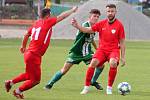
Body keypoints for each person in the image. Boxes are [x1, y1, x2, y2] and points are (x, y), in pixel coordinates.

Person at [4, 7, 78, 99]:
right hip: (34, 55)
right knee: (36, 80)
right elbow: (62, 16)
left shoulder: (36, 24)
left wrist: (23, 46)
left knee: (28, 75)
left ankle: (10, 83)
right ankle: (17, 91)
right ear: (48, 15)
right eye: (50, 15)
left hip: (29, 54)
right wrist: (72, 10)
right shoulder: (47, 22)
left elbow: (26, 34)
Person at [71, 4, 126, 95]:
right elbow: (87, 30)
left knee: (113, 63)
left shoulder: (119, 25)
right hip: (102, 50)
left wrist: (123, 57)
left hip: (113, 50)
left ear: (115, 12)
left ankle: (109, 88)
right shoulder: (101, 23)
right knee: (93, 63)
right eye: (108, 11)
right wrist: (77, 26)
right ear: (106, 12)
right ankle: (86, 87)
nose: (110, 13)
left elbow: (122, 42)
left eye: (112, 11)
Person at [44, 9, 104, 91]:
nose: (96, 18)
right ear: (89, 17)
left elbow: (91, 38)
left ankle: (92, 81)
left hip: (87, 53)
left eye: (97, 16)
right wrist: (77, 25)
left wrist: (96, 47)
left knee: (101, 65)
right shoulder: (85, 25)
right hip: (76, 52)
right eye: (94, 16)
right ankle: (49, 84)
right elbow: (84, 30)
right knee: (64, 70)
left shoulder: (94, 27)